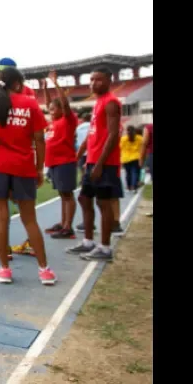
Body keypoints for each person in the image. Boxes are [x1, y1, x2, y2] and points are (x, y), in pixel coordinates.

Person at [0, 67, 56, 285]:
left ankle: (5, 269)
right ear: (17, 84)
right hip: (23, 165)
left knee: (0, 217)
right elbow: (40, 139)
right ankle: (44, 271)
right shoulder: (30, 103)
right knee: (29, 219)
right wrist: (39, 168)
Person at [67, 67, 124, 262]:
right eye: (91, 80)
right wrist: (81, 155)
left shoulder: (111, 103)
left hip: (105, 162)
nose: (94, 83)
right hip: (92, 160)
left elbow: (113, 134)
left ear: (109, 80)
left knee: (103, 202)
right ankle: (89, 241)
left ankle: (105, 248)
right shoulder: (99, 102)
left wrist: (99, 163)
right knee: (84, 198)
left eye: (98, 80)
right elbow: (93, 134)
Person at [41, 71, 79, 239]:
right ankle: (63, 223)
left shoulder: (68, 120)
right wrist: (46, 89)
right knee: (62, 195)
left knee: (68, 194)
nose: (50, 111)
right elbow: (49, 102)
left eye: (52, 109)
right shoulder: (53, 122)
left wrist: (55, 84)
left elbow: (63, 104)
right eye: (48, 109)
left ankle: (68, 227)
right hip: (54, 162)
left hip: (65, 161)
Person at [120, 125, 143, 192]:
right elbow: (142, 147)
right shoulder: (140, 138)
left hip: (126, 158)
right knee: (135, 172)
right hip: (136, 157)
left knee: (128, 173)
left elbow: (121, 147)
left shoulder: (123, 139)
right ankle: (134, 186)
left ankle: (129, 186)